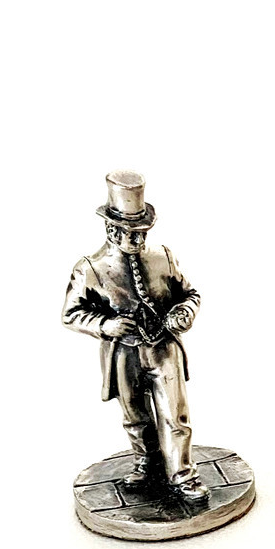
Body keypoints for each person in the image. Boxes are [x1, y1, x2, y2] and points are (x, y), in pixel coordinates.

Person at [62, 170, 205, 499]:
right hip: (123, 353)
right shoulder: (90, 268)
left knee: (175, 414)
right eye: (131, 233)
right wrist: (105, 325)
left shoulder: (163, 257)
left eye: (142, 233)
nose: (138, 240)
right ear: (111, 229)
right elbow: (71, 314)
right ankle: (147, 463)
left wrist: (184, 312)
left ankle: (183, 475)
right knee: (135, 415)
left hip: (164, 348)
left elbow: (190, 294)